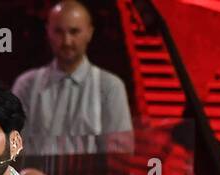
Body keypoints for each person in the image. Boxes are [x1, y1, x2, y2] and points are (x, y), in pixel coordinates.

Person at [12, 0, 134, 158]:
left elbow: (121, 154)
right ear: (48, 32)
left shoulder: (110, 86)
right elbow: (11, 149)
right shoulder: (26, 85)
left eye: (74, 32)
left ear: (89, 33)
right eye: (58, 32)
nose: (67, 41)